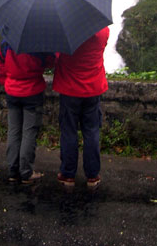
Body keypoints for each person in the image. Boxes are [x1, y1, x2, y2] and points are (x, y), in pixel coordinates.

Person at [52, 27, 109, 191]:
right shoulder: (103, 30)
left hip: (69, 89)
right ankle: (92, 175)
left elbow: (57, 56)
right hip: (93, 88)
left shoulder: (65, 32)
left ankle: (68, 174)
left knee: (69, 131)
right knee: (92, 131)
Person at [0, 41, 55, 184]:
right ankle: (26, 171)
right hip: (32, 92)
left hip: (12, 92)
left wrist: (7, 82)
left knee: (14, 130)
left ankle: (13, 170)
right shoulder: (38, 43)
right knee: (29, 131)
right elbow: (51, 62)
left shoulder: (7, 42)